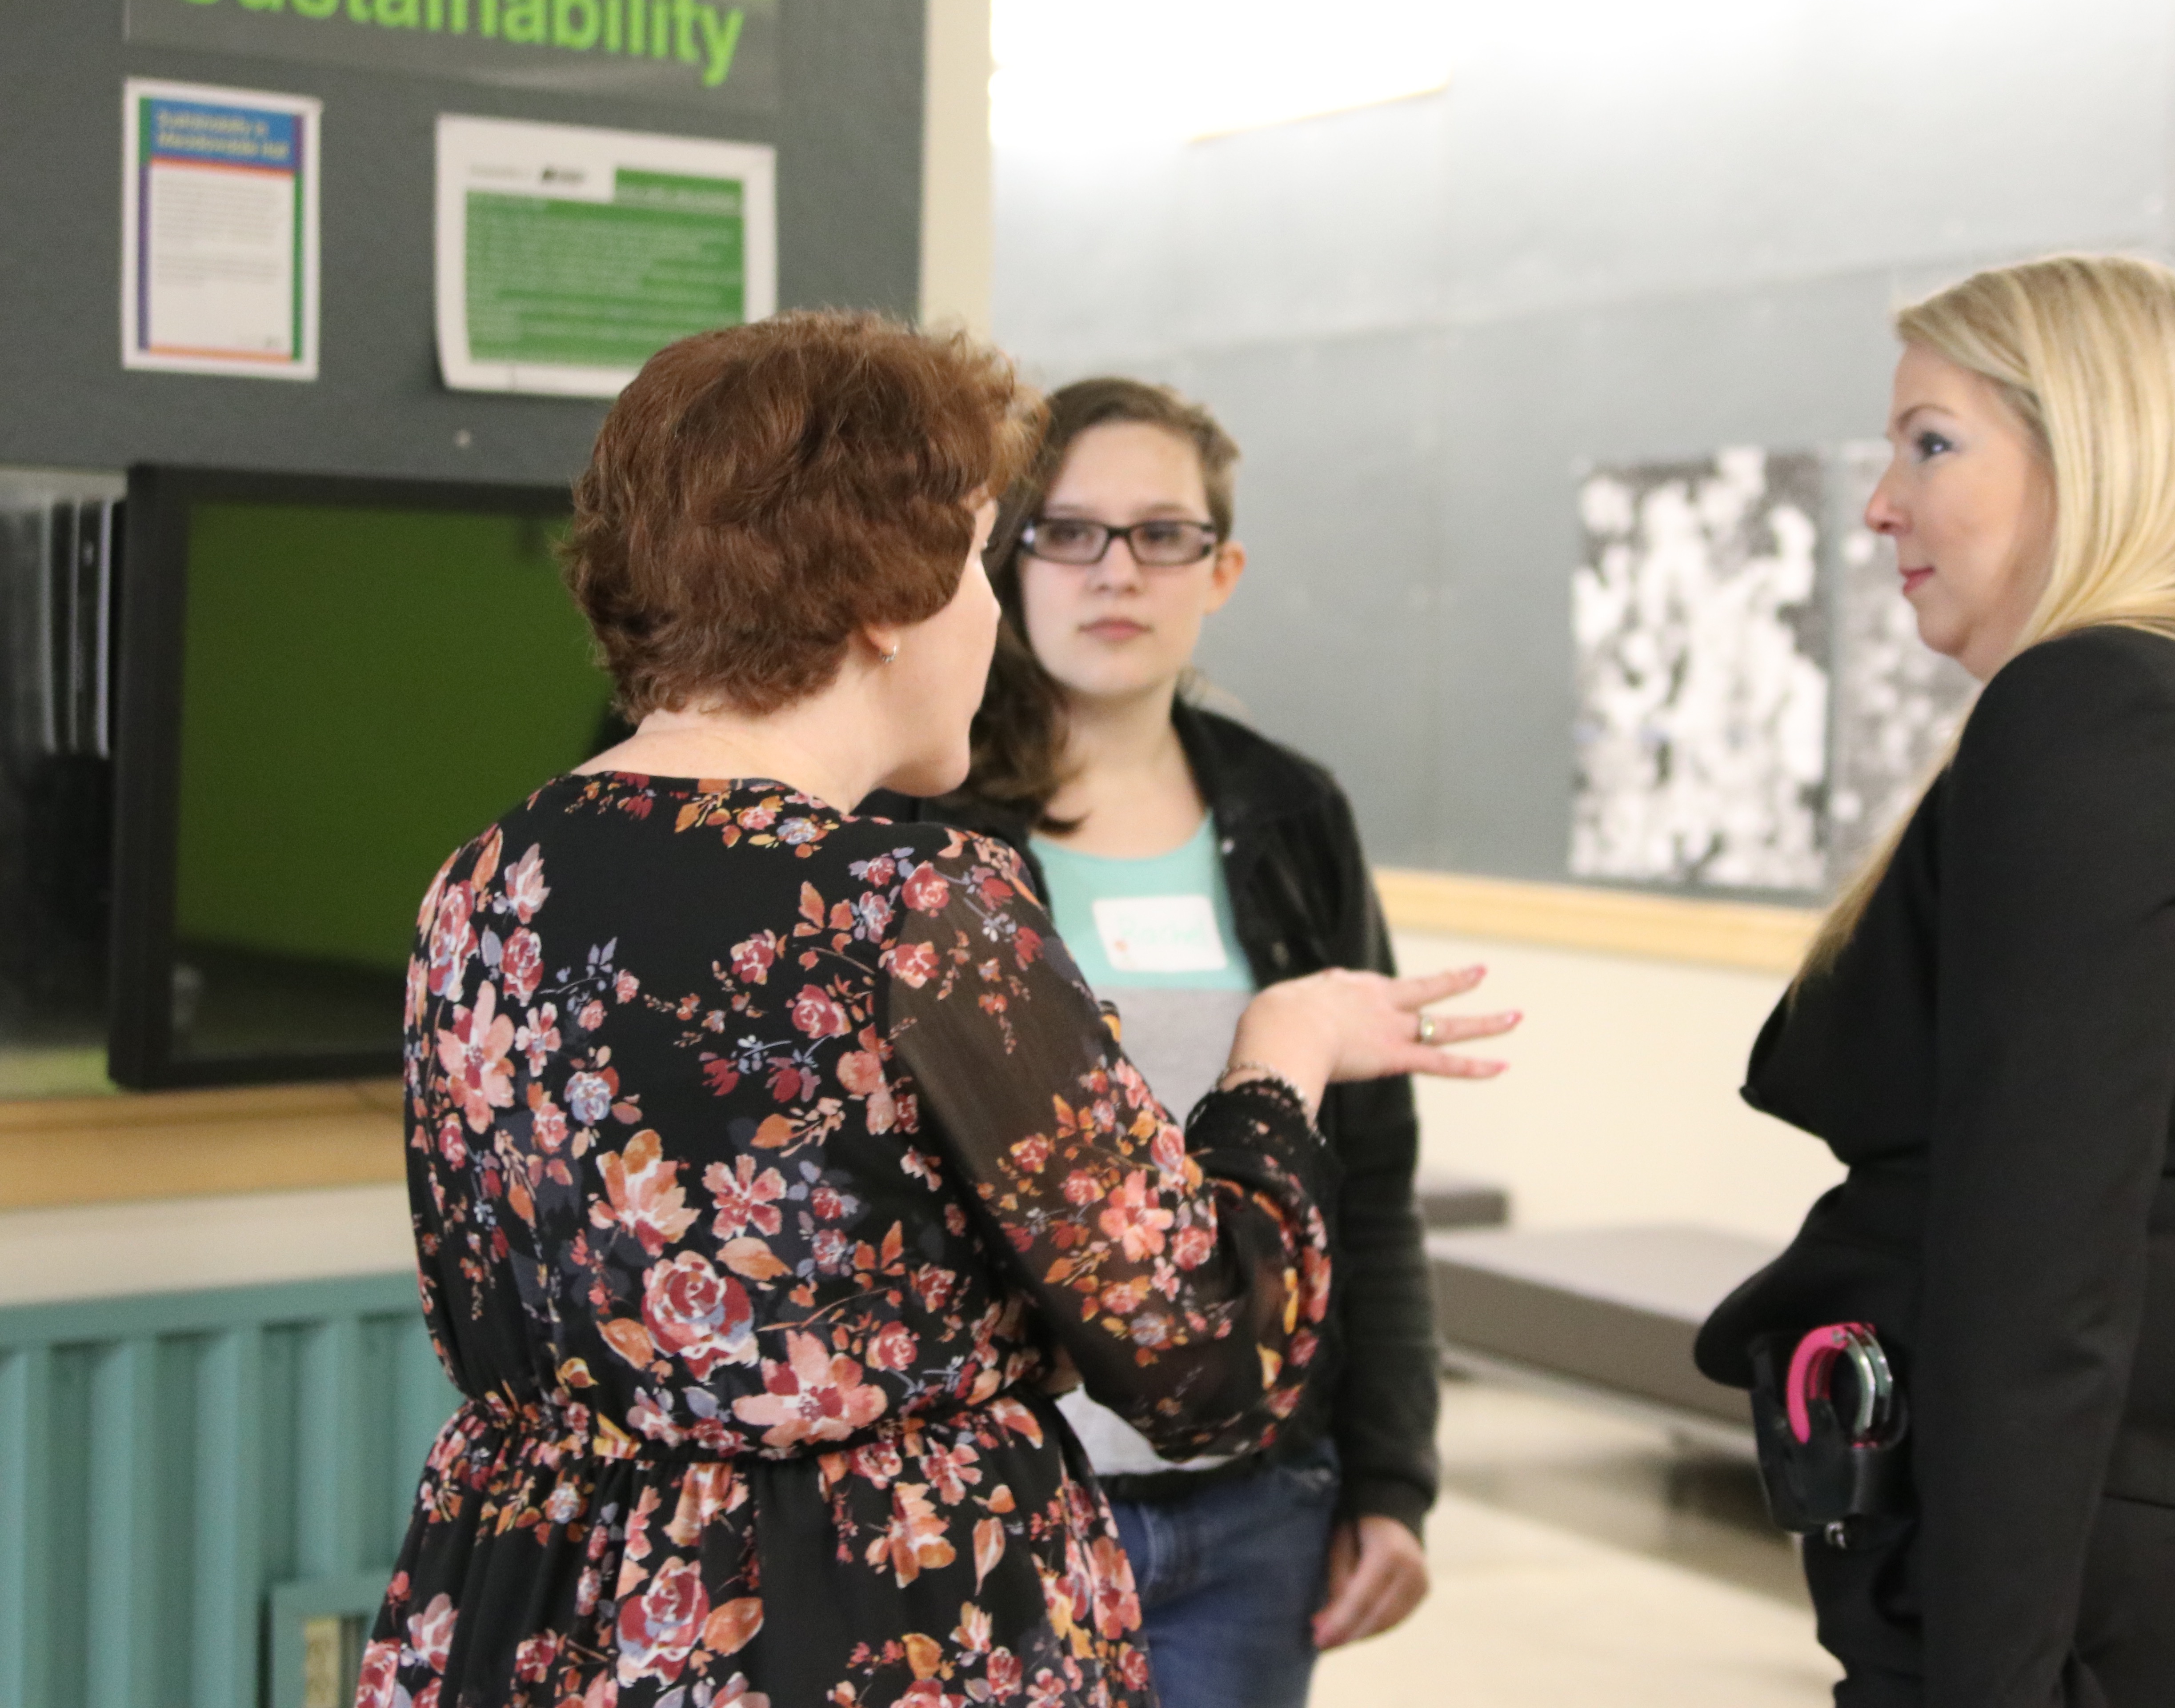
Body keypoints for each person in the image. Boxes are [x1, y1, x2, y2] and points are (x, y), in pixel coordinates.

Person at [354, 312, 1516, 1708]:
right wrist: (1283, 1058)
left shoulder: (482, 881)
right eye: (980, 556)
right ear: (884, 597)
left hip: (549, 1606)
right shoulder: (912, 907)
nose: (988, 606)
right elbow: (1203, 1363)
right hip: (864, 1624)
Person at [1694, 253, 2175, 1708]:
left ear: (2098, 452)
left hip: (2098, 1573)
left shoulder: (2097, 707)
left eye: (1932, 442)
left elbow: (2043, 1261)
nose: (1882, 501)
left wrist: (1987, 1678)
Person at [862, 376, 1437, 1708]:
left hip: (1256, 1506)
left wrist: (1393, 1478)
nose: (1115, 572)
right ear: (1006, 560)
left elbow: (1373, 1188)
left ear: (1220, 568)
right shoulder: (915, 824)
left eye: (1162, 534)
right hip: (992, 1505)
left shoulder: (1293, 812)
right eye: (1070, 532)